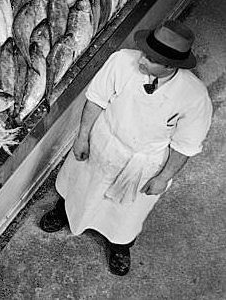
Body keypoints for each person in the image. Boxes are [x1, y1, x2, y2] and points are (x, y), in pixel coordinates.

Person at [39, 20, 213, 276]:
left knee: (126, 214)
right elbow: (96, 99)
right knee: (79, 184)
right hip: (104, 140)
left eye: (151, 59)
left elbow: (185, 145)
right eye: (145, 52)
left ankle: (120, 245)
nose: (142, 59)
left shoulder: (194, 97)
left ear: (170, 66)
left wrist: (164, 177)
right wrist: (83, 136)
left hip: (144, 162)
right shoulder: (121, 61)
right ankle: (63, 211)